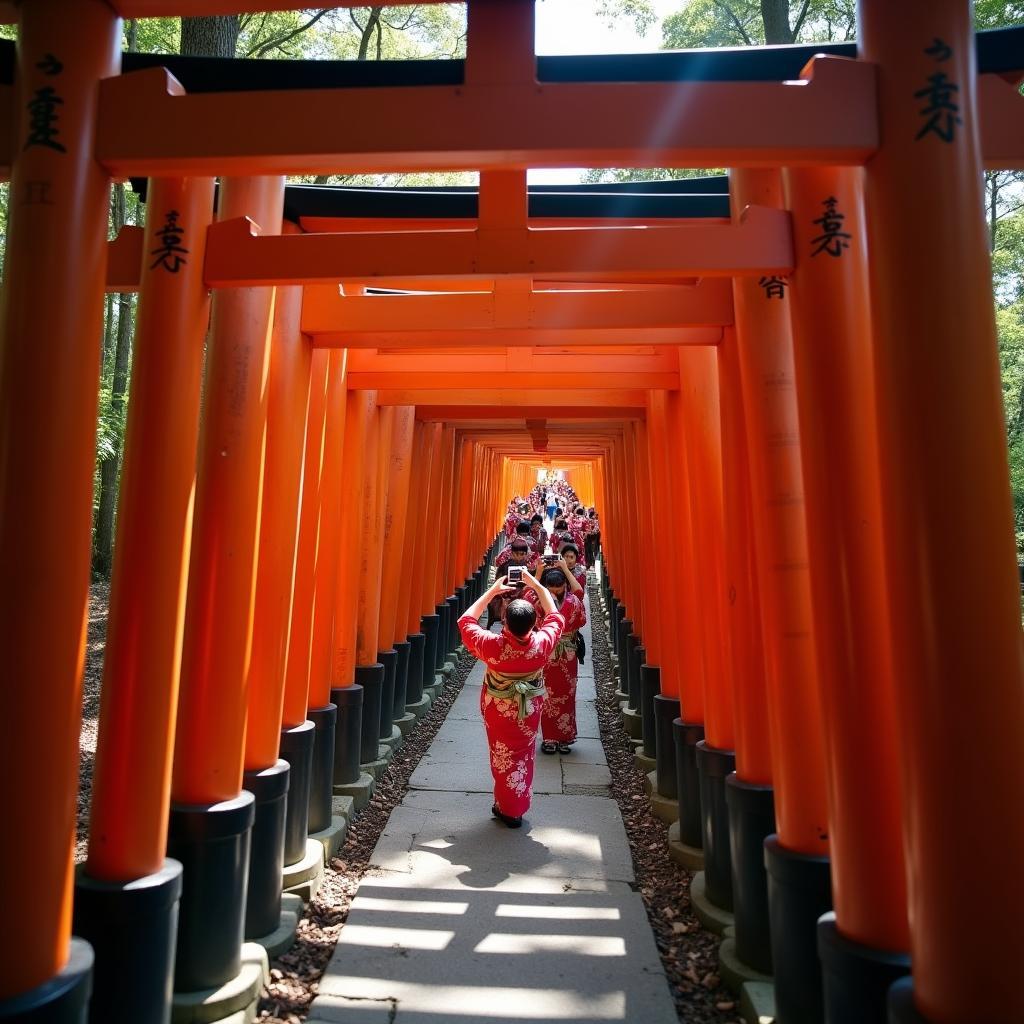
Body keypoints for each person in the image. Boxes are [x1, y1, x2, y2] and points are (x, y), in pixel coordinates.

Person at [459, 570, 565, 828]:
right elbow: (555, 616)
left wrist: (493, 591)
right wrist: (537, 584)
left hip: (499, 708)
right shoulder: (540, 645)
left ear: (504, 622)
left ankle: (507, 807)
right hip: (527, 708)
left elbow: (466, 621)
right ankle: (515, 805)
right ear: (533, 624)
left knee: (501, 755)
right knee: (524, 753)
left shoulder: (492, 645)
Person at [526, 568, 587, 755]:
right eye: (550, 588)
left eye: (558, 588)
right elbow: (525, 600)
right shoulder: (539, 600)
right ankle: (549, 737)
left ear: (565, 586)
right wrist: (538, 572)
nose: (554, 592)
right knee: (546, 695)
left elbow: (581, 619)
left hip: (566, 652)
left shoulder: (573, 601)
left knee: (567, 694)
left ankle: (566, 737)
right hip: (548, 652)